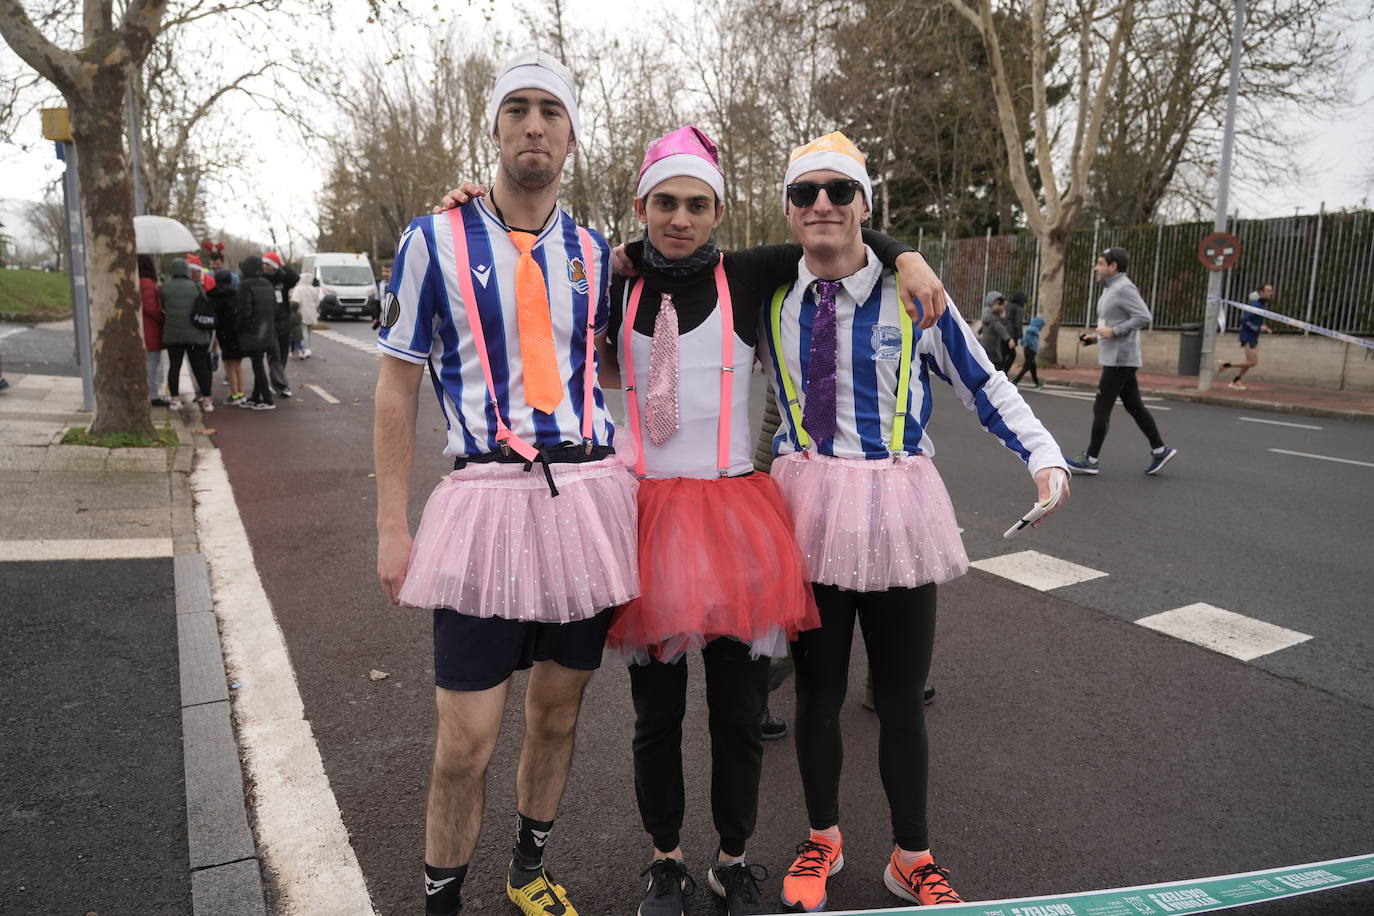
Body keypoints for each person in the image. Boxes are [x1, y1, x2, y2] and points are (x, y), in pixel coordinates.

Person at [592, 127, 944, 916]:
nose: (680, 218)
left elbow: (837, 234)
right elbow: (534, 249)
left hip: (730, 516)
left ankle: (732, 860)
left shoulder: (748, 272)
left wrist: (908, 254)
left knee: (740, 713)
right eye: (665, 203)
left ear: (719, 210)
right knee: (655, 716)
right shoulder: (607, 280)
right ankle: (665, 862)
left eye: (697, 203)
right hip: (647, 513)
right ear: (642, 207)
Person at [758, 132, 1070, 911]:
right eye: (805, 193)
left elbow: (982, 380)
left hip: (896, 516)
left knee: (899, 698)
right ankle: (822, 840)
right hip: (808, 519)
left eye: (840, 190)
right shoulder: (765, 300)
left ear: (866, 203)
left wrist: (1043, 455)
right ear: (789, 211)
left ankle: (912, 856)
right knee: (817, 697)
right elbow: (663, 269)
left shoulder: (916, 295)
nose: (822, 204)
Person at [374, 51, 637, 916]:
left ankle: (528, 871)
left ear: (570, 135)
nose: (534, 125)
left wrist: (896, 253)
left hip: (583, 500)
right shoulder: (431, 239)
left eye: (550, 112)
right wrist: (391, 525)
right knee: (465, 742)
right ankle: (440, 902)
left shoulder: (599, 255)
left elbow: (623, 358)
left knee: (558, 716)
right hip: (484, 504)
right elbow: (398, 383)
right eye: (517, 109)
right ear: (493, 127)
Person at [1064, 247, 1179, 476]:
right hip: (1116, 357)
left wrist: (1115, 331)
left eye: (1100, 263)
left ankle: (1091, 458)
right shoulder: (1111, 288)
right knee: (1133, 405)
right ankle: (1160, 449)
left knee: (1101, 406)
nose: (1096, 268)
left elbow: (1143, 316)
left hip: (1121, 359)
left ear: (1113, 266)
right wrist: (1094, 338)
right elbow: (1111, 323)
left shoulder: (1124, 288)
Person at [159, 257, 215, 412]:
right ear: (186, 270)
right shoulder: (195, 286)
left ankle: (175, 400)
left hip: (173, 334)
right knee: (200, 367)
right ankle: (207, 400)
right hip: (195, 335)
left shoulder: (165, 287)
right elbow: (203, 303)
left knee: (174, 367)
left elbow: (162, 306)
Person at [235, 255, 278, 410]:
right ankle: (255, 396)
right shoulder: (267, 283)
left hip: (252, 331)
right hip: (267, 330)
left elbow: (244, 311)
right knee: (258, 363)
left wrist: (238, 328)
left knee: (257, 365)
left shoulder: (245, 285)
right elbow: (274, 306)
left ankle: (267, 399)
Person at [1219, 283, 1274, 390]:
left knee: (1248, 362)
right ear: (1260, 292)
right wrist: (1257, 328)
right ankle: (1225, 365)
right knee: (1252, 362)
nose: (1270, 293)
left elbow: (1255, 321)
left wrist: (1263, 327)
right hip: (1248, 337)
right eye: (1268, 291)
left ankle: (1236, 381)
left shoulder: (1261, 305)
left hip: (1253, 336)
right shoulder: (1255, 305)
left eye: (1271, 291)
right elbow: (1244, 320)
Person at [261, 250, 298, 398]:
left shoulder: (283, 278)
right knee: (274, 354)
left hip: (284, 321)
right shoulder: (262, 278)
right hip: (269, 322)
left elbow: (295, 277)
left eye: (268, 264)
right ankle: (281, 385)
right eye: (264, 264)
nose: (265, 266)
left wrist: (282, 265)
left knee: (282, 353)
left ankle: (276, 381)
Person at [210, 267, 246, 404]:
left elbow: (215, 318)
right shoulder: (237, 295)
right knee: (238, 365)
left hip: (224, 334)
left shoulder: (215, 296)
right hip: (238, 333)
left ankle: (235, 395)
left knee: (228, 365)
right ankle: (241, 394)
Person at [138, 254, 169, 407]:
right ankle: (152, 394)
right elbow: (150, 307)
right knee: (151, 363)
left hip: (143, 328)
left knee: (148, 363)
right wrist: (163, 318)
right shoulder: (147, 284)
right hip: (150, 329)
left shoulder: (137, 282)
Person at [289, 276, 321, 358]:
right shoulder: (313, 288)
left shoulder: (298, 289)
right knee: (308, 331)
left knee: (303, 331)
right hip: (311, 312)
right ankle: (308, 347)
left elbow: (295, 302)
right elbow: (317, 301)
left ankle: (305, 348)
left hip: (301, 312)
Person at [1012, 314, 1046, 389]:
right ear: (1039, 324)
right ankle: (1015, 381)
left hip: (1028, 350)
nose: (1042, 327)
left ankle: (1037, 382)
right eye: (1042, 325)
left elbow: (1024, 339)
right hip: (1030, 350)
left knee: (1033, 367)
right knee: (1026, 367)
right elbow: (1028, 339)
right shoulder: (1033, 330)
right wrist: (1031, 346)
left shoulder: (1031, 328)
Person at [979, 301, 1011, 368]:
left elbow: (981, 330)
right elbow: (1003, 331)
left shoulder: (988, 320)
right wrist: (1009, 340)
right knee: (995, 366)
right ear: (1000, 313)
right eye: (1004, 312)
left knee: (986, 365)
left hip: (985, 345)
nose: (1005, 313)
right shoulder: (996, 322)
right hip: (993, 348)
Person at [1003, 291, 1027, 371]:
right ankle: (1003, 373)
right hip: (1012, 335)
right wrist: (1020, 336)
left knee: (1004, 353)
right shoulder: (1019, 308)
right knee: (1012, 355)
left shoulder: (1008, 306)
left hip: (1003, 332)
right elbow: (1018, 323)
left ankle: (1001, 372)